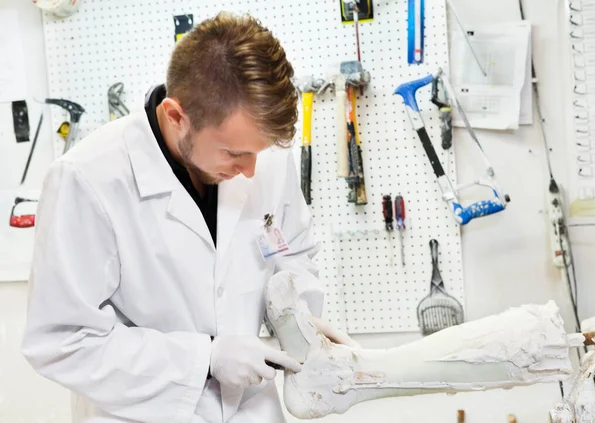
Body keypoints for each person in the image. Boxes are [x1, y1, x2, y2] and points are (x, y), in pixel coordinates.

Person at [21, 12, 357, 423]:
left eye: (259, 152)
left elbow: (294, 252)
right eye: (233, 154)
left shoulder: (263, 155)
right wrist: (204, 358)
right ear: (177, 116)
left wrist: (298, 320)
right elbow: (62, 343)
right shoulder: (88, 179)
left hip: (254, 410)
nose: (250, 170)